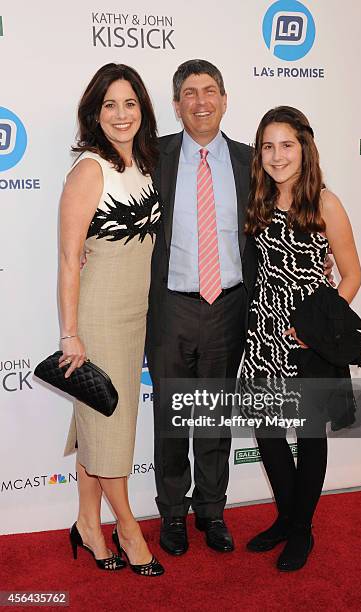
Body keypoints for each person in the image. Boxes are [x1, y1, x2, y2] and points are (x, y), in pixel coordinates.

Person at [241, 106, 361, 571]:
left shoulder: (325, 203)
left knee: (311, 437)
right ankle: (288, 518)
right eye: (268, 146)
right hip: (263, 335)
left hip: (309, 342)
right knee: (268, 432)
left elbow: (351, 275)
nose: (277, 155)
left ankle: (301, 529)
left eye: (286, 144)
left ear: (304, 147)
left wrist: (316, 328)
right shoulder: (259, 199)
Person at [146, 59, 258, 555]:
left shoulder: (251, 161)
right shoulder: (155, 157)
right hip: (170, 307)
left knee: (214, 418)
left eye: (210, 90)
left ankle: (211, 512)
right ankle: (172, 514)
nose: (201, 101)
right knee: (172, 416)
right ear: (176, 105)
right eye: (189, 93)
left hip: (229, 307)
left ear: (225, 98)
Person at [59, 63, 164, 575]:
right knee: (111, 425)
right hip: (98, 316)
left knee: (96, 419)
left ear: (142, 109)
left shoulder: (144, 164)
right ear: (94, 113)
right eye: (109, 105)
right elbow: (68, 258)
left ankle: (85, 522)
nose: (121, 115)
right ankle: (128, 528)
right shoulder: (89, 169)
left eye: (130, 104)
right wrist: (70, 333)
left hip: (136, 314)